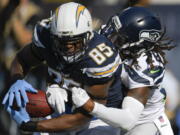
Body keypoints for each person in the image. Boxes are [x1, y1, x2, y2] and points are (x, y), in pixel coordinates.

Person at [2, 2, 122, 135]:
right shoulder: (46, 35)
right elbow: (22, 60)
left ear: (88, 35)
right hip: (64, 107)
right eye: (62, 41)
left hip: (99, 116)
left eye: (74, 42)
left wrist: (34, 125)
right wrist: (17, 80)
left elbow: (83, 117)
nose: (68, 47)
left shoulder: (99, 59)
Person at [71, 7, 175, 135]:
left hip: (142, 122)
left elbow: (128, 120)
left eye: (118, 38)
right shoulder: (107, 42)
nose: (108, 37)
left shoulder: (146, 65)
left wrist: (91, 106)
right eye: (111, 29)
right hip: (108, 114)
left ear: (137, 45)